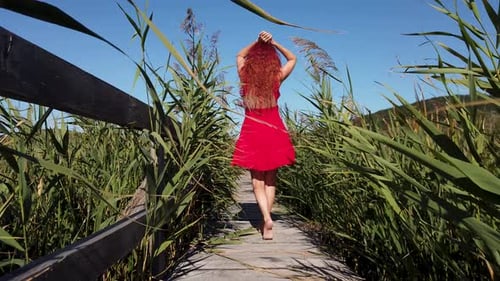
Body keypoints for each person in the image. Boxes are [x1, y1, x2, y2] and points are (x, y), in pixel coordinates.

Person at [231, 31, 296, 240]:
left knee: (256, 180)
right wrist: (273, 42)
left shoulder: (245, 76)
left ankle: (266, 218)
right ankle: (267, 220)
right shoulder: (276, 76)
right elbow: (293, 58)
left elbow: (239, 56)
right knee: (271, 179)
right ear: (271, 60)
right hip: (274, 128)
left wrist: (256, 42)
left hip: (253, 128)